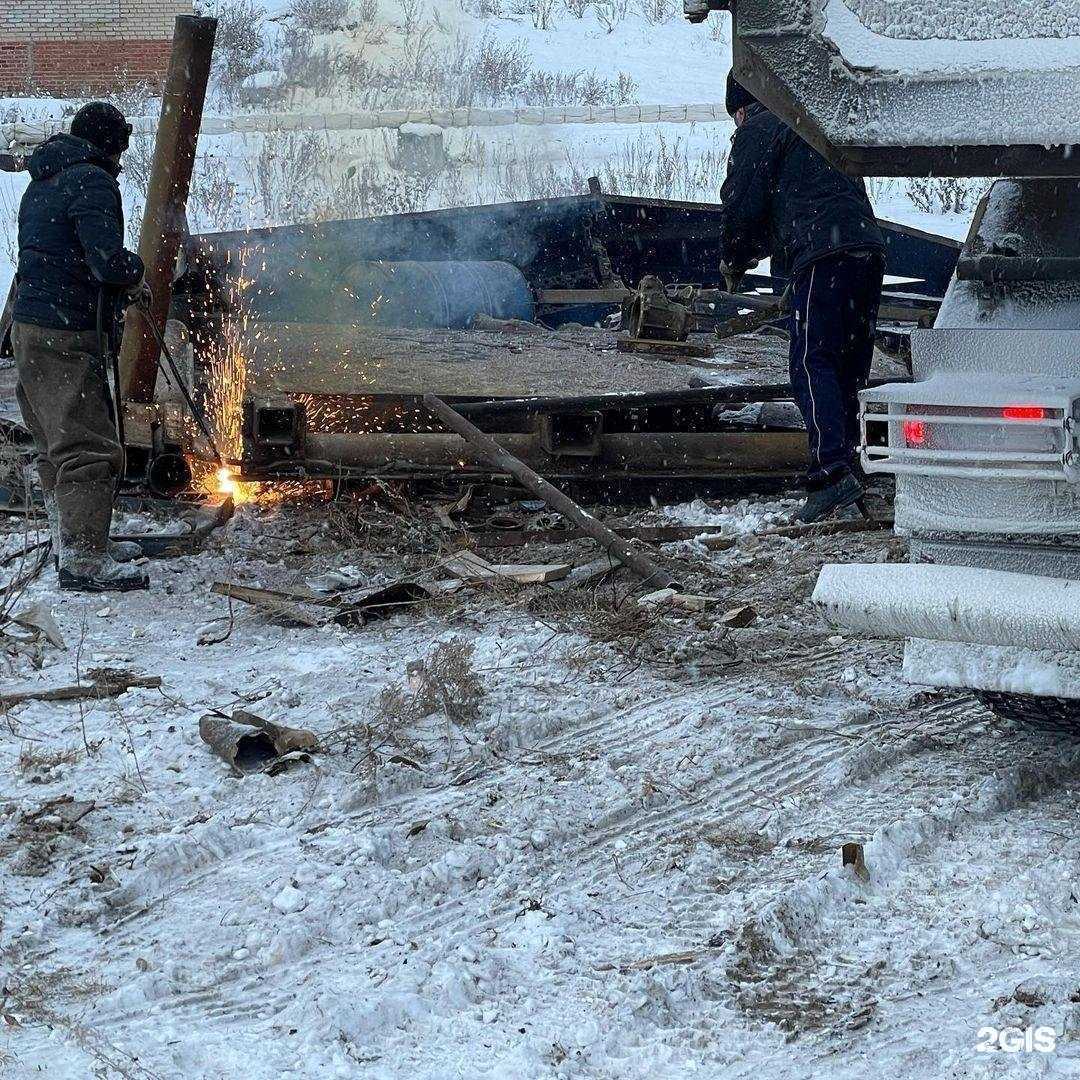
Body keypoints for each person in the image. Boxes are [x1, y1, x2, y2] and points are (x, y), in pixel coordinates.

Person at [719, 72, 886, 522]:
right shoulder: (809, 120)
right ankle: (849, 466)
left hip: (822, 252)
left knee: (812, 362)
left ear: (742, 107)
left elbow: (743, 204)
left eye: (735, 115)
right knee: (847, 365)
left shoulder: (760, 125)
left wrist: (733, 258)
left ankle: (830, 476)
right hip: (867, 249)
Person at [11, 101, 149, 592]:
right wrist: (137, 273)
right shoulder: (91, 180)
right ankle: (85, 559)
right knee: (88, 446)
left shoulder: (44, 179)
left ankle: (73, 540)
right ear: (110, 144)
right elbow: (107, 261)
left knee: (55, 444)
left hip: (30, 328)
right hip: (64, 331)